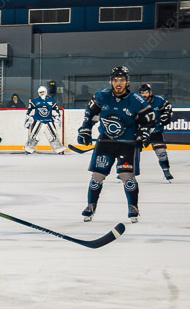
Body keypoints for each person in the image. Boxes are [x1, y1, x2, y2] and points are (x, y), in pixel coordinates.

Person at [77, 67, 154, 222]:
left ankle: (133, 207)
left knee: (127, 176)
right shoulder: (101, 96)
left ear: (127, 82)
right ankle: (91, 205)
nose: (119, 83)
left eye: (122, 80)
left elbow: (149, 121)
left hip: (127, 144)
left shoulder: (137, 100)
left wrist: (144, 134)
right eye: (116, 80)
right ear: (111, 81)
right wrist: (85, 130)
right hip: (106, 142)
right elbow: (89, 115)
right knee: (97, 176)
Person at [138, 83, 175, 180]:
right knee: (133, 152)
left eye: (146, 92)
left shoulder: (158, 100)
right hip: (140, 132)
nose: (144, 95)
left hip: (155, 131)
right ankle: (128, 172)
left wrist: (167, 114)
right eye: (142, 93)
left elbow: (168, 107)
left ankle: (166, 171)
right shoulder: (136, 101)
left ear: (150, 92)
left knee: (161, 152)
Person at [23, 85, 65, 154]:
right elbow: (30, 112)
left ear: (46, 92)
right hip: (38, 121)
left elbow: (55, 111)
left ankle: (59, 150)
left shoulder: (51, 101)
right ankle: (28, 149)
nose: (42, 93)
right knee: (34, 137)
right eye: (40, 92)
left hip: (49, 121)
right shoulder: (35, 101)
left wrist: (57, 120)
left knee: (53, 136)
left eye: (43, 92)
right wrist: (28, 120)